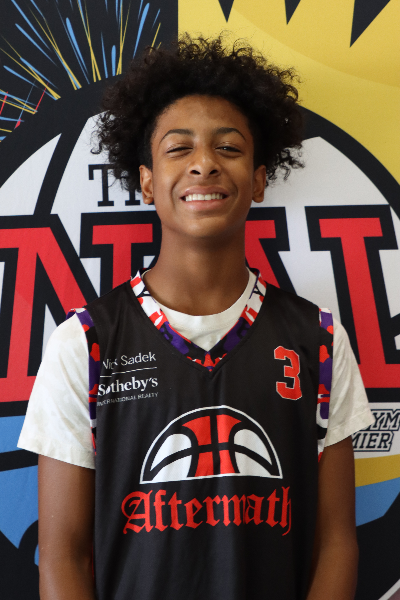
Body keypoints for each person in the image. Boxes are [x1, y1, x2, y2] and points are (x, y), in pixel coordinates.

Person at [18, 35, 373, 600]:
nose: (204, 163)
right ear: (146, 180)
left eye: (228, 148)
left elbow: (335, 544)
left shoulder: (319, 340)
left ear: (259, 179)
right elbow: (63, 556)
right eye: (179, 149)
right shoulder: (84, 342)